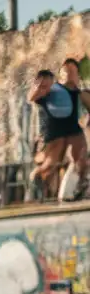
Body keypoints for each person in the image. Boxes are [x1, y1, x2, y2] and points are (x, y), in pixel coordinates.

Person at [29, 64, 88, 199]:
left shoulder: (62, 89)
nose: (47, 89)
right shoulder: (40, 96)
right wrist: (38, 89)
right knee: (52, 162)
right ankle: (36, 175)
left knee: (81, 157)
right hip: (55, 132)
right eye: (44, 86)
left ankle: (78, 185)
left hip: (71, 127)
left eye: (48, 85)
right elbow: (31, 98)